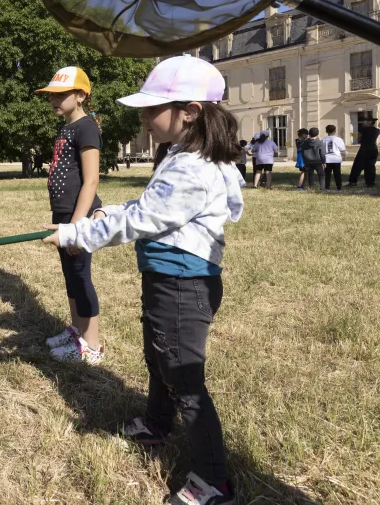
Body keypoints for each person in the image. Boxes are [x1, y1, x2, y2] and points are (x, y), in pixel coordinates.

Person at [43, 55, 243, 505]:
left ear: (189, 112)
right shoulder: (180, 156)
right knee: (158, 357)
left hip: (183, 285)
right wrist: (107, 213)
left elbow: (145, 220)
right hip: (165, 279)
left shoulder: (193, 167)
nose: (144, 118)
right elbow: (148, 206)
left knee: (184, 380)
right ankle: (156, 423)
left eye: (152, 109)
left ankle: (214, 483)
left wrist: (76, 233)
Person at [35, 67, 104, 365]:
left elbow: (91, 180)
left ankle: (92, 346)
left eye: (61, 94)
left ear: (81, 96)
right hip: (64, 214)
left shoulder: (86, 127)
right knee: (70, 275)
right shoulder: (67, 127)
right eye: (51, 95)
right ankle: (78, 331)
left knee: (81, 276)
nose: (54, 99)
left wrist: (76, 226)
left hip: (80, 216)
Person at [348, 117, 380, 188]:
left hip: (364, 149)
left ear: (369, 122)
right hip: (373, 150)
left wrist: (353, 135)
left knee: (357, 165)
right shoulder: (376, 130)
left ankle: (353, 182)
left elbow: (359, 137)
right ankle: (370, 183)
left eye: (365, 121)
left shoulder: (364, 129)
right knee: (370, 166)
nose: (363, 122)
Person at [322, 124, 347, 191]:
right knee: (337, 174)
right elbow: (342, 149)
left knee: (327, 175)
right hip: (336, 159)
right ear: (335, 131)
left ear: (326, 131)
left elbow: (322, 150)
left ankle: (327, 187)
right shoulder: (338, 139)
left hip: (327, 159)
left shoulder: (323, 140)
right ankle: (339, 187)